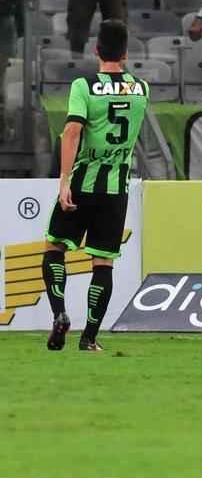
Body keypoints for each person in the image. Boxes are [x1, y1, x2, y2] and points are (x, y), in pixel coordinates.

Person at [43, 20, 148, 353]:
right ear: (126, 53)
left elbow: (72, 132)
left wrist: (63, 180)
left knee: (54, 247)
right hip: (116, 187)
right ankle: (89, 338)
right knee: (103, 262)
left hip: (83, 181)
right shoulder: (141, 89)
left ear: (96, 50)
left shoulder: (83, 86)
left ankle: (60, 313)